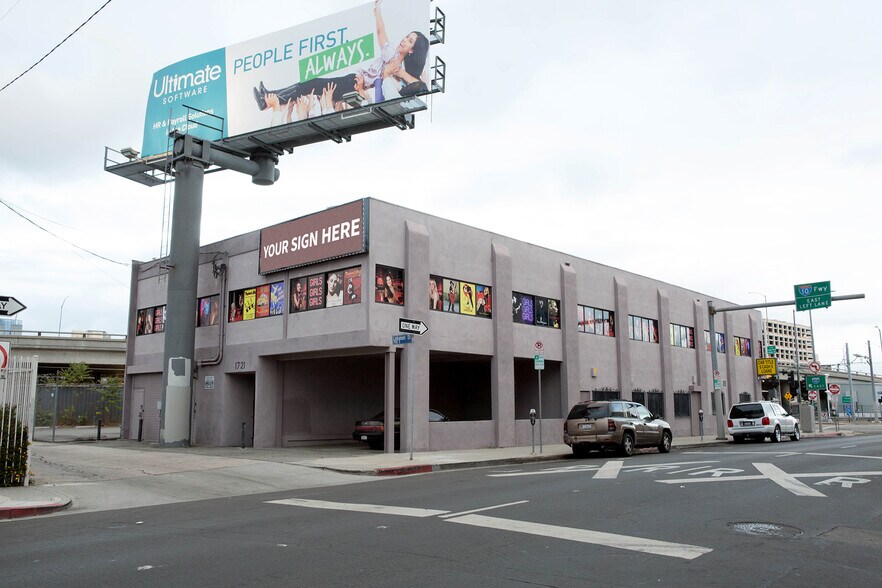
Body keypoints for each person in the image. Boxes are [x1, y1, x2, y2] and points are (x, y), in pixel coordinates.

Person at [252, 0, 430, 117]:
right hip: (350, 80)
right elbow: (381, 33)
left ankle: (267, 99)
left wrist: (398, 73)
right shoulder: (392, 56)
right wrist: (377, 11)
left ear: (413, 50)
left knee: (308, 86)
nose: (404, 40)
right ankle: (269, 95)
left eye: (410, 40)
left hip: (352, 86)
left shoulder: (398, 68)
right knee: (307, 84)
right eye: (407, 36)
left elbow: (419, 85)